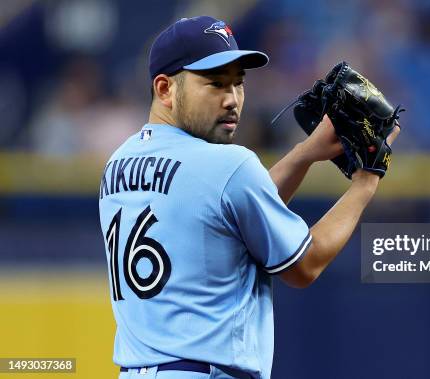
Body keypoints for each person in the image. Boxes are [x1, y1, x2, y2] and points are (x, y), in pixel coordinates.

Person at [98, 16, 399, 379]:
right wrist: (366, 181)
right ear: (165, 89)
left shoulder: (118, 163)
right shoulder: (228, 165)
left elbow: (229, 212)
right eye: (215, 84)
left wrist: (304, 153)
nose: (232, 99)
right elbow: (306, 265)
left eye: (238, 84)